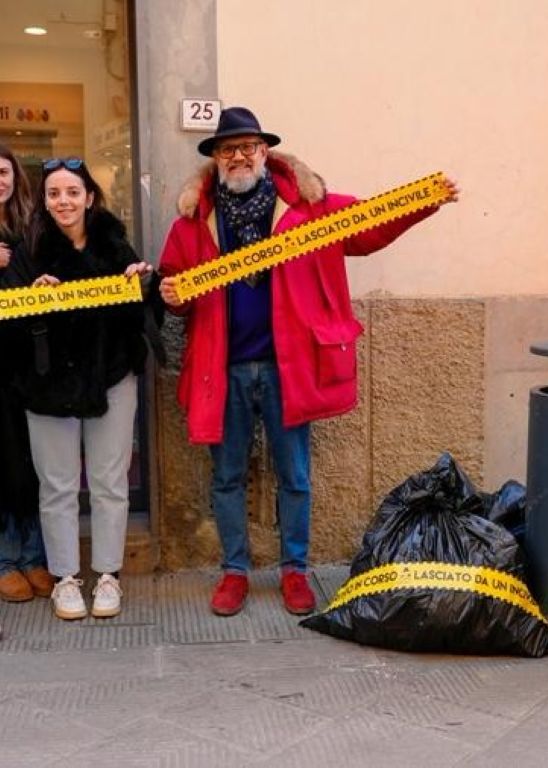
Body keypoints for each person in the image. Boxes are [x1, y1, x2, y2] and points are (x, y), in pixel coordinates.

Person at [158, 106, 458, 618]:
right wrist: (171, 293)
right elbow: (175, 282)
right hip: (222, 369)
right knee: (227, 476)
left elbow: (371, 227)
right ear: (215, 160)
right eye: (229, 149)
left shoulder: (310, 209)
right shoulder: (192, 222)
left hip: (287, 367)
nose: (239, 157)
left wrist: (424, 203)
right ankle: (235, 572)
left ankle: (294, 570)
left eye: (248, 147)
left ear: (265, 152)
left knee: (293, 473)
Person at [2, 157, 154, 621]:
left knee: (110, 483)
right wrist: (38, 301)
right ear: (44, 201)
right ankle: (65, 577)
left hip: (111, 377)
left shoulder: (115, 244)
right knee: (57, 485)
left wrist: (144, 285)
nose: (62, 201)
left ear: (89, 197)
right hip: (47, 384)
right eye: (53, 194)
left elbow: (140, 317)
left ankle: (108, 574)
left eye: (72, 192)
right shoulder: (29, 250)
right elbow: (10, 321)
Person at [0, 145, 55, 606]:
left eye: (2, 172)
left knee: (30, 463)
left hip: (27, 361)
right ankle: (5, 559)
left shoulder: (31, 225)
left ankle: (35, 556)